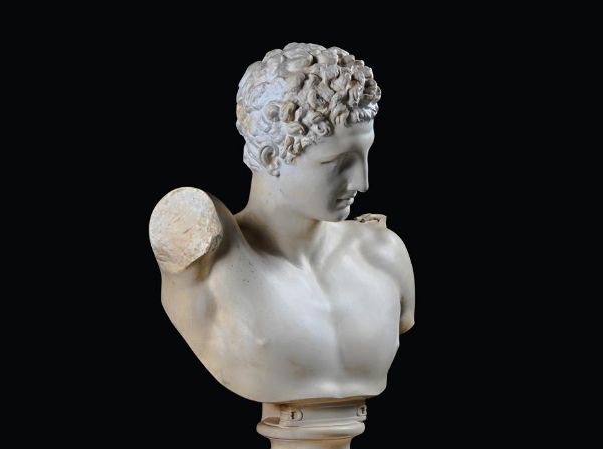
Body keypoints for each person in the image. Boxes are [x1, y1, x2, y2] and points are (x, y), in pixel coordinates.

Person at [149, 43, 414, 405]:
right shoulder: (211, 258)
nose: (362, 182)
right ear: (272, 156)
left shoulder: (384, 253)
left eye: (364, 156)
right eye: (338, 163)